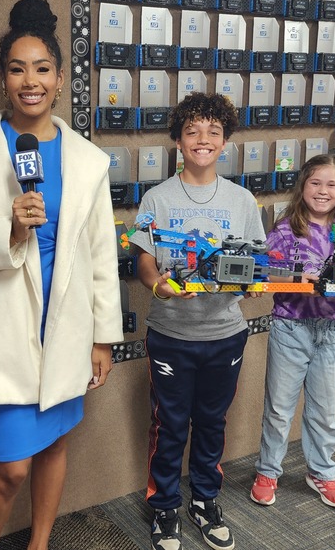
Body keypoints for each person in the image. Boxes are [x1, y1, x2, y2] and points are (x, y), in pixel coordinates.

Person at [0, 0, 122, 550]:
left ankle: (39, 545)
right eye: (17, 69)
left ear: (60, 79)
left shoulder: (87, 159)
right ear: (2, 79)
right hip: (2, 327)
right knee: (10, 469)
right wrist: (7, 231)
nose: (29, 81)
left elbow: (101, 252)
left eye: (41, 69)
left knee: (55, 444)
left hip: (66, 324)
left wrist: (103, 335)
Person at [128, 92, 266, 550]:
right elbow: (144, 259)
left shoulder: (242, 200)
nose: (202, 140)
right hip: (171, 333)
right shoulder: (157, 198)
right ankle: (164, 504)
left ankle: (205, 499)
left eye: (212, 131)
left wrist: (253, 284)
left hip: (225, 334)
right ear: (178, 141)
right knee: (169, 424)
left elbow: (255, 266)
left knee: (211, 422)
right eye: (192, 131)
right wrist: (155, 285)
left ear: (225, 141)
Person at [249, 153, 335, 510]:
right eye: (315, 183)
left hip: (334, 330)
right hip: (290, 327)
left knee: (326, 410)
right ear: (303, 186)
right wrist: (297, 280)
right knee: (279, 408)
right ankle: (268, 471)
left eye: (331, 184)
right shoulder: (285, 228)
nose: (323, 191)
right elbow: (265, 274)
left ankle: (322, 473)